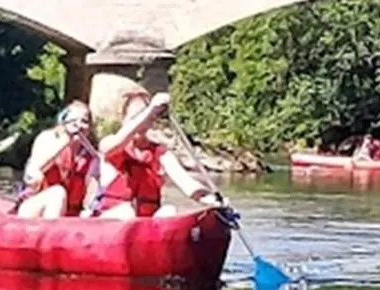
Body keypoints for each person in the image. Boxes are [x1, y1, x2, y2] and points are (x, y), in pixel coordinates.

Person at [90, 89, 224, 219]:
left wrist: (211, 200)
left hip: (146, 224)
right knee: (127, 212)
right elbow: (117, 141)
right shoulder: (109, 145)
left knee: (169, 211)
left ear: (152, 121)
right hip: (113, 218)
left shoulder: (161, 153)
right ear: (124, 121)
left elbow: (187, 184)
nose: (141, 123)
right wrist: (149, 111)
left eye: (146, 118)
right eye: (135, 118)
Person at [15, 101, 99, 219]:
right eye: (73, 120)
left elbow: (91, 192)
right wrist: (66, 141)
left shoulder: (91, 156)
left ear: (89, 128)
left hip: (68, 214)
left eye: (84, 121)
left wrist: (88, 211)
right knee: (57, 194)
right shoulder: (47, 138)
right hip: (34, 205)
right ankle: (50, 233)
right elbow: (34, 171)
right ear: (63, 121)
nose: (78, 125)